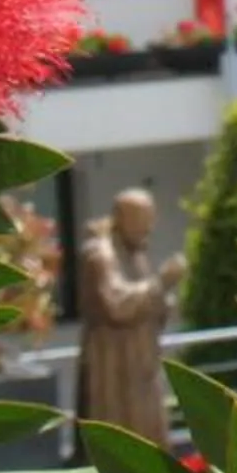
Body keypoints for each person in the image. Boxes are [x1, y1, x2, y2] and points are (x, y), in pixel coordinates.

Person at [76, 186, 183, 455]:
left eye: (150, 220)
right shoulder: (100, 255)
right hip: (114, 370)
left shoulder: (135, 253)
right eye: (142, 221)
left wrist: (164, 299)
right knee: (119, 448)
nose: (148, 229)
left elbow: (148, 305)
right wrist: (162, 283)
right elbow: (118, 304)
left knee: (151, 444)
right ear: (121, 218)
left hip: (141, 368)